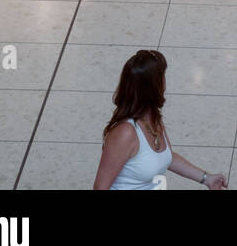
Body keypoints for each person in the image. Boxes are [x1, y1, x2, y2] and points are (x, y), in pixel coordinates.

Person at [94, 50, 227, 191]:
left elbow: (165, 157)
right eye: (163, 77)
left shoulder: (152, 118)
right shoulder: (125, 133)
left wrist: (206, 178)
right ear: (154, 86)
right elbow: (100, 187)